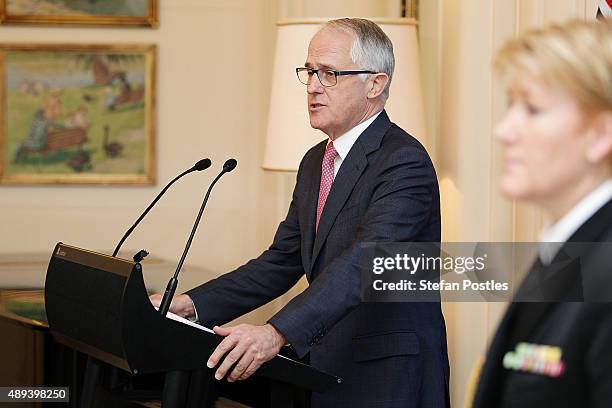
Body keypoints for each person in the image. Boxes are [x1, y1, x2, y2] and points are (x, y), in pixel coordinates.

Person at [151, 18, 449, 407]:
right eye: (310, 72)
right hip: (324, 367)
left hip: (385, 374)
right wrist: (189, 304)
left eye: (329, 74)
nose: (312, 86)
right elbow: (281, 261)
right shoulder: (315, 162)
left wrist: (276, 332)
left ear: (375, 84)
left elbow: (364, 263)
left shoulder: (403, 161)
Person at [473, 19, 612, 407]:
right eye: (510, 106)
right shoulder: (571, 248)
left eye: (532, 109)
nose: (504, 130)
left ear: (600, 135)